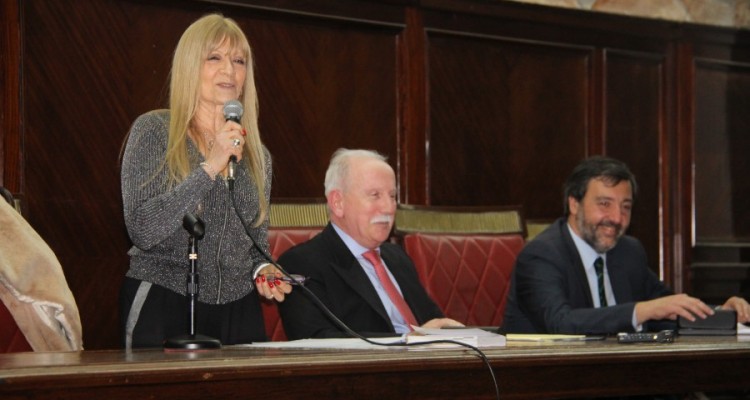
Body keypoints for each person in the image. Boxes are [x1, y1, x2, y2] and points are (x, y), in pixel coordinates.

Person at [120, 14, 291, 349]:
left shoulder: (258, 156)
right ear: (189, 67)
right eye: (214, 57)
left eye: (239, 60)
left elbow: (255, 242)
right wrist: (210, 166)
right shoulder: (153, 132)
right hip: (163, 300)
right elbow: (142, 228)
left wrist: (263, 270)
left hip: (239, 311)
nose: (229, 69)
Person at [502, 156, 750, 335]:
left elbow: (667, 306)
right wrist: (641, 311)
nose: (617, 218)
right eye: (604, 204)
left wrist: (720, 312)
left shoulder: (629, 251)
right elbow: (560, 323)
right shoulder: (541, 255)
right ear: (574, 204)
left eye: (626, 206)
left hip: (622, 377)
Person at [277, 148, 463, 339]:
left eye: (392, 196)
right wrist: (408, 341)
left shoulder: (397, 258)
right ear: (338, 202)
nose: (389, 207)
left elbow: (433, 323)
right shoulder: (301, 264)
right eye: (375, 195)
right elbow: (315, 341)